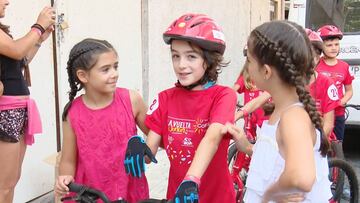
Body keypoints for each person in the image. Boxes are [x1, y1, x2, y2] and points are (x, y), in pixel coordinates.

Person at [124, 13, 236, 203]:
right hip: (178, 198)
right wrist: (139, 148)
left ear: (209, 60)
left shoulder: (223, 96)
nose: (181, 65)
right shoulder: (165, 98)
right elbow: (150, 153)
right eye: (175, 56)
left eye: (191, 57)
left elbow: (212, 138)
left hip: (217, 197)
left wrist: (191, 179)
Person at [224, 20, 331, 202]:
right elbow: (276, 158)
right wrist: (247, 147)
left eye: (249, 60)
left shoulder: (293, 117)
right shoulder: (282, 109)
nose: (247, 68)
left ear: (266, 72)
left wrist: (271, 194)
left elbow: (302, 178)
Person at [54, 38, 150, 202]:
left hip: (129, 188)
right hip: (91, 193)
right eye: (105, 69)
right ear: (83, 76)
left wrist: (147, 149)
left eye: (115, 66)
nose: (114, 74)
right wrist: (64, 177)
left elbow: (156, 134)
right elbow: (68, 159)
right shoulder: (72, 113)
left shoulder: (131, 100)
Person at [0, 1, 55, 202]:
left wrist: (40, 39)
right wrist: (38, 26)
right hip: (5, 112)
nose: (7, 2)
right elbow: (16, 50)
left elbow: (19, 60)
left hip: (17, 109)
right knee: (3, 184)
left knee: (11, 180)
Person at [316, 25, 354, 142]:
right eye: (329, 45)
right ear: (321, 47)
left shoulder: (344, 66)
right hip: (319, 114)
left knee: (336, 145)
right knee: (319, 144)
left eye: (336, 44)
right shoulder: (316, 64)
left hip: (338, 114)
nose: (334, 48)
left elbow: (349, 90)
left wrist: (342, 101)